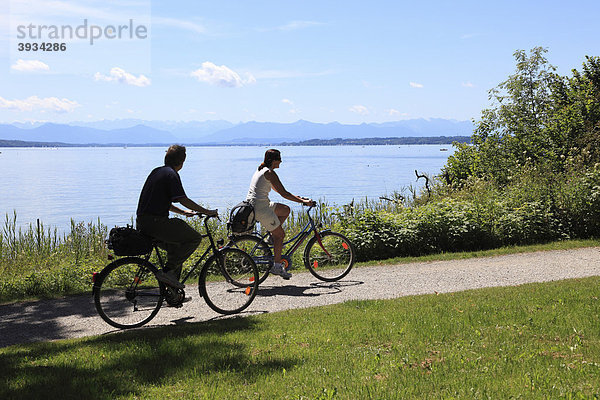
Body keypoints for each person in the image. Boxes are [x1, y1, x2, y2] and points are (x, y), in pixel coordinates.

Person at [136, 145, 217, 290]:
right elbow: (183, 199)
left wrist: (184, 213)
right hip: (156, 223)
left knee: (176, 247)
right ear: (182, 161)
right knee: (194, 238)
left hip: (144, 222)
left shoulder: (157, 172)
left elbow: (164, 202)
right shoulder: (171, 174)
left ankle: (173, 293)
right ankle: (167, 272)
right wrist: (207, 211)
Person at [246, 149, 315, 279]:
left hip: (259, 205)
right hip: (261, 208)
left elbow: (280, 191)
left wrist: (298, 198)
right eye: (279, 159)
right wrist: (303, 201)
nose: (281, 161)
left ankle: (271, 238)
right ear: (273, 160)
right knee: (281, 235)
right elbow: (284, 194)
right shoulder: (270, 173)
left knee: (285, 210)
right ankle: (277, 266)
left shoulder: (262, 169)